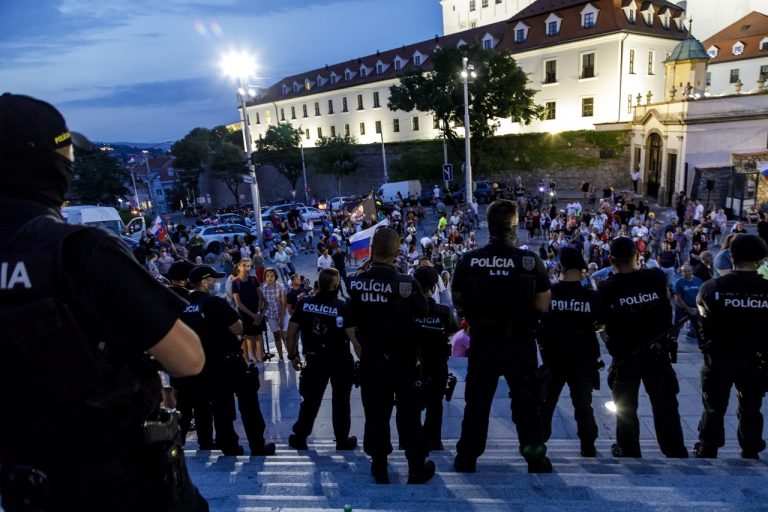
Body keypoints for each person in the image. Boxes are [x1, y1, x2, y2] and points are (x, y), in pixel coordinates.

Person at [0, 93, 208, 510]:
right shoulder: (77, 250)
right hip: (121, 482)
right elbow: (188, 358)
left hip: (27, 486)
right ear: (51, 165)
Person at [452, 199, 553, 474]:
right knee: (527, 404)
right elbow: (544, 304)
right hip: (519, 342)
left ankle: (467, 457)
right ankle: (534, 458)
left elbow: (458, 298)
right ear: (514, 226)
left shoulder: (469, 260)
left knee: (477, 403)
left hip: (484, 342)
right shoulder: (530, 262)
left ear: (489, 225)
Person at [347, 226, 435, 484]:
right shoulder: (407, 284)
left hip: (372, 358)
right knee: (408, 412)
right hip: (403, 359)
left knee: (375, 412)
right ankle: (416, 466)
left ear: (372, 250)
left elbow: (350, 317)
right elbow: (424, 310)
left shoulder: (355, 281)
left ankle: (380, 465)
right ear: (397, 252)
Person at [597, 237, 688, 458]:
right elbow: (666, 306)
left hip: (626, 357)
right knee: (665, 405)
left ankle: (629, 451)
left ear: (611, 260)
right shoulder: (655, 277)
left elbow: (600, 322)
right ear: (637, 257)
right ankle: (674, 451)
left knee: (626, 408)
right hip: (656, 353)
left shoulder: (607, 288)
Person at [186, 265, 276, 457]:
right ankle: (257, 446)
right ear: (204, 282)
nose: (216, 282)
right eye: (213, 279)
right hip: (229, 360)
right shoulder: (214, 303)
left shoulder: (183, 305)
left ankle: (229, 446)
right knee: (248, 403)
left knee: (220, 406)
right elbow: (238, 328)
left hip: (205, 363)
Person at [694, 235, 768, 459]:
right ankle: (751, 446)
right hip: (756, 360)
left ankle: (709, 446)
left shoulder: (711, 287)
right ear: (761, 260)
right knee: (751, 406)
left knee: (714, 406)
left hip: (719, 358)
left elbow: (702, 317)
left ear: (731, 257)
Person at [538, 248, 604, 457]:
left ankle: (538, 447)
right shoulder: (591, 297)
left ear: (560, 267)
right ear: (583, 270)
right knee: (584, 405)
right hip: (582, 360)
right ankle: (588, 446)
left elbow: (538, 320)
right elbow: (601, 324)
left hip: (554, 358)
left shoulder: (549, 293)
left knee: (546, 404)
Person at [285, 268, 360, 451]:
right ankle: (342, 439)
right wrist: (364, 362)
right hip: (340, 360)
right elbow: (354, 340)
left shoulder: (304, 303)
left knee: (310, 400)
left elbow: (291, 333)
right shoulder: (342, 307)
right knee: (341, 401)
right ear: (336, 286)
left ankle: (300, 436)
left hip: (314, 359)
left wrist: (293, 355)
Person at [412, 266, 460, 451]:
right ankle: (434, 441)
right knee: (435, 404)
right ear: (433, 287)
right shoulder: (443, 312)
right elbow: (452, 330)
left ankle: (412, 441)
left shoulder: (407, 311)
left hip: (414, 364)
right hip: (437, 364)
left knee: (411, 405)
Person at [232, 259, 270, 363]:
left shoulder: (253, 279)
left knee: (258, 334)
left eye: (248, 265)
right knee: (249, 336)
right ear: (239, 267)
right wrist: (252, 315)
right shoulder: (235, 282)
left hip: (256, 311)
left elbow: (260, 297)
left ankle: (260, 357)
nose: (246, 267)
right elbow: (238, 302)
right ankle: (253, 357)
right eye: (244, 265)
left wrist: (258, 313)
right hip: (245, 314)